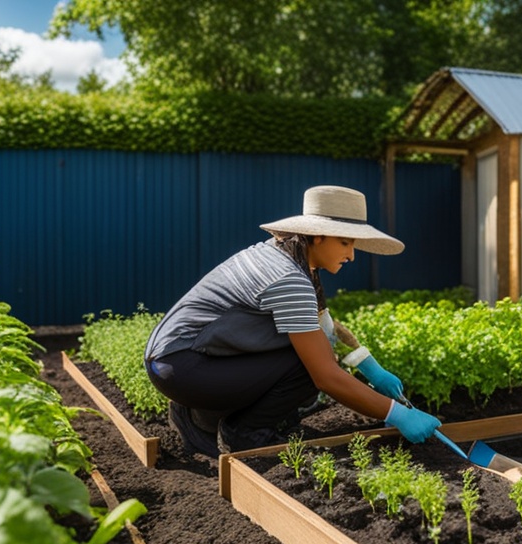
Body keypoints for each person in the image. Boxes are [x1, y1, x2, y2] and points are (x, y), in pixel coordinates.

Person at [143, 185, 441, 457]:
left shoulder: (282, 255)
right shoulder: (288, 279)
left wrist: (371, 368)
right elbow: (326, 376)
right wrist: (398, 416)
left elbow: (325, 325)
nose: (351, 255)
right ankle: (243, 433)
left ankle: (200, 419)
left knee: (311, 349)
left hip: (175, 360)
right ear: (318, 235)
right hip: (184, 368)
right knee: (308, 365)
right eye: (345, 243)